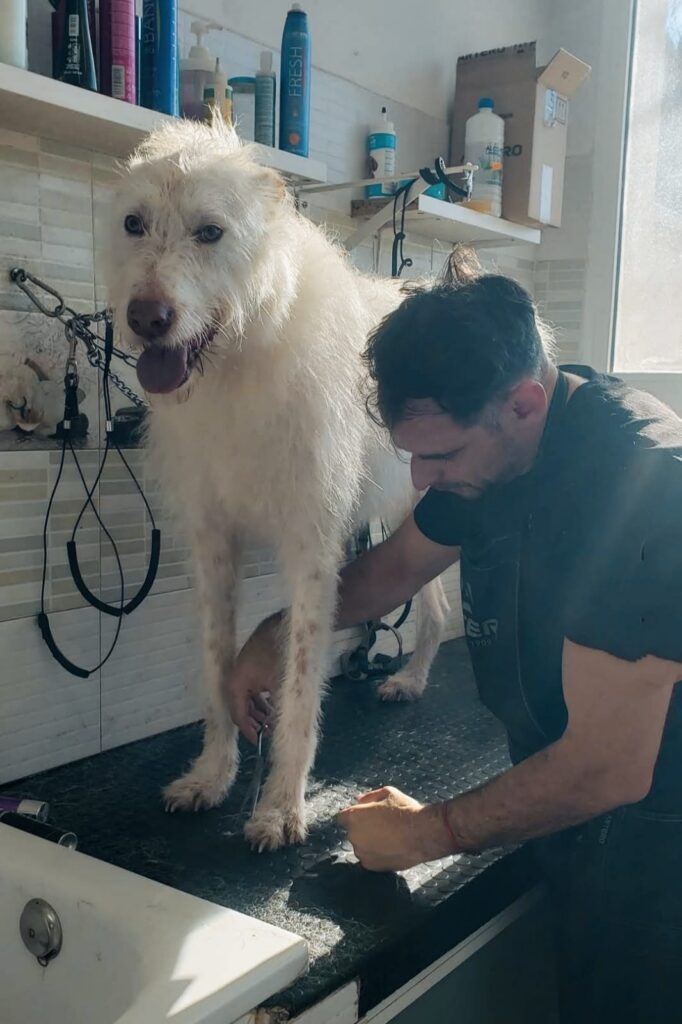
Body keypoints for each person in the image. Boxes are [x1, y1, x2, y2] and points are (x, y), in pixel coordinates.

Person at [227, 253, 682, 1023]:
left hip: (658, 849)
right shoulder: (495, 458)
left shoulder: (644, 485)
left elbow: (606, 767)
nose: (426, 480)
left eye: (440, 456)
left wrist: (423, 834)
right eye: (414, 457)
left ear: (524, 405)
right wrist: (281, 633)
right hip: (584, 824)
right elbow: (392, 569)